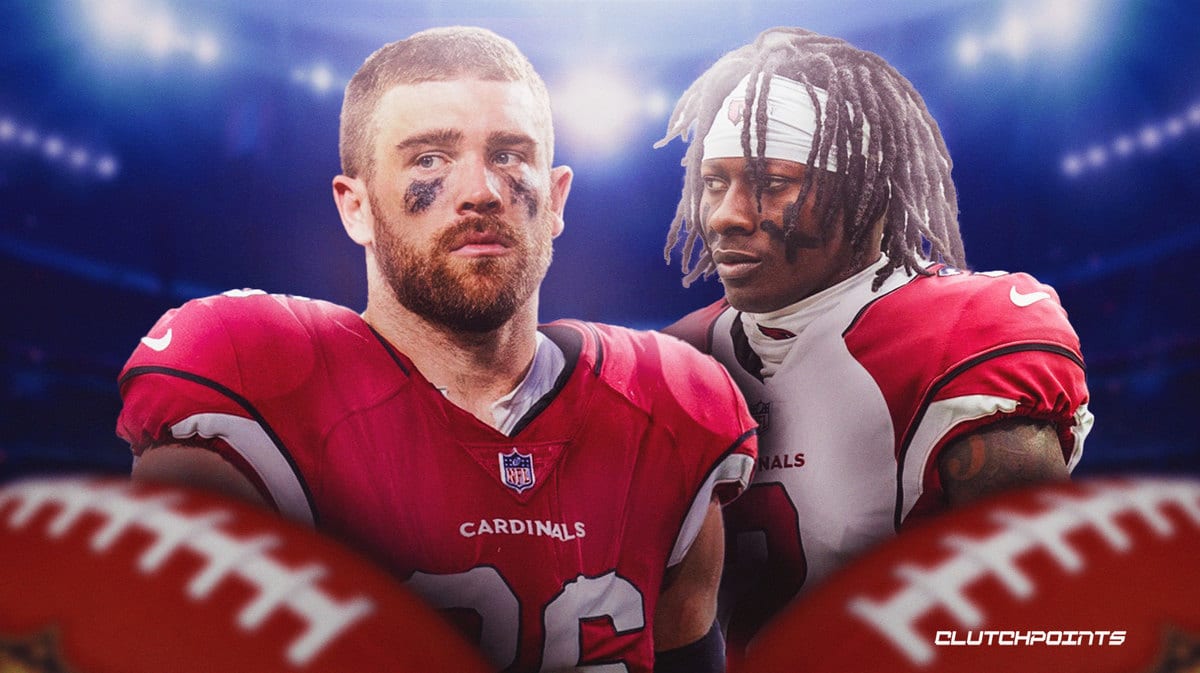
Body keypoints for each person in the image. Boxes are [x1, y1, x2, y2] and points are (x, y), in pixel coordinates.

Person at [117, 27, 757, 673]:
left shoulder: (669, 403)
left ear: (557, 197)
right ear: (356, 206)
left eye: (509, 153)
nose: (480, 189)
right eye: (429, 158)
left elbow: (686, 650)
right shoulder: (251, 372)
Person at [656, 26, 1093, 658]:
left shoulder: (968, 329)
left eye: (771, 182)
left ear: (868, 193)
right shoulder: (678, 359)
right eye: (714, 181)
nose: (725, 213)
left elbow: (1042, 626)